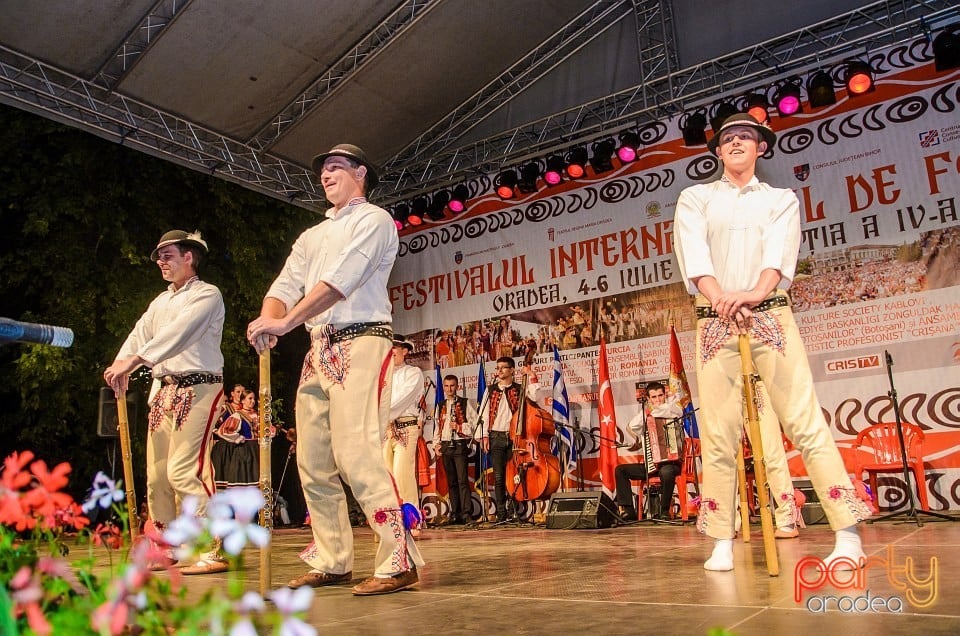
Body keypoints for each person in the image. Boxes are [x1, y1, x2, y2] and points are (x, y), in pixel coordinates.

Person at [673, 113, 872, 572]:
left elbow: (780, 254)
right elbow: (694, 253)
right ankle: (721, 538)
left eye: (746, 136)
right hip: (714, 318)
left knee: (803, 421)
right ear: (718, 151)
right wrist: (722, 297)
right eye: (727, 139)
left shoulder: (780, 199)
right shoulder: (696, 197)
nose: (736, 142)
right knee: (719, 434)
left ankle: (847, 531)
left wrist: (755, 294)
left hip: (769, 316)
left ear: (762, 146)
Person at [246, 143, 422, 595]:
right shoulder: (312, 236)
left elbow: (341, 282)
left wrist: (285, 322)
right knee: (312, 459)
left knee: (356, 451)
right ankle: (332, 556)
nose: (326, 175)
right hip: (318, 345)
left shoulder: (374, 220)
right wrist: (271, 319)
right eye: (323, 169)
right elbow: (284, 285)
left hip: (361, 338)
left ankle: (397, 559)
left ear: (361, 172)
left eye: (336, 167)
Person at [103, 229, 227, 575]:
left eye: (167, 255)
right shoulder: (160, 301)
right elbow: (141, 333)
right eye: (158, 256)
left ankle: (210, 546)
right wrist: (120, 363)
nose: (160, 261)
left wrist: (136, 360)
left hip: (199, 387)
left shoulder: (207, 295)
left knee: (184, 469)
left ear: (190, 256)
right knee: (157, 475)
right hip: (164, 389)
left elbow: (179, 334)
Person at [473, 356, 539, 523]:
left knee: (515, 475)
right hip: (496, 436)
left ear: (511, 370)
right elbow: (484, 413)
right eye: (498, 367)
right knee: (499, 476)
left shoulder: (519, 388)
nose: (500, 371)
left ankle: (515, 511)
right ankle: (501, 513)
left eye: (503, 367)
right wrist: (484, 437)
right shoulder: (491, 390)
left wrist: (531, 374)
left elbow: (534, 396)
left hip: (514, 437)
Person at [614, 382, 682, 521]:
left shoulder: (673, 408)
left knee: (666, 472)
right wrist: (646, 414)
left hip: (671, 462)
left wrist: (649, 412)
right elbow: (632, 426)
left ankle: (664, 511)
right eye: (654, 397)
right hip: (652, 464)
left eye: (660, 396)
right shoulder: (646, 414)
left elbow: (668, 410)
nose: (658, 400)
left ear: (665, 395)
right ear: (649, 399)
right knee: (621, 470)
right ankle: (628, 510)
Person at [382, 335, 426, 537]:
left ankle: (412, 521)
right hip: (385, 429)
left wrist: (381, 413)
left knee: (402, 474)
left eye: (395, 348)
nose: (391, 351)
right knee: (385, 477)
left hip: (405, 427)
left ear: (405, 351)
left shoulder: (413, 373)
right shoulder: (382, 375)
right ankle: (389, 523)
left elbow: (402, 399)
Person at [432, 374, 478, 525]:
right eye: (446, 386)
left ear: (457, 386)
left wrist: (459, 427)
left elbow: (474, 425)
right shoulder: (440, 405)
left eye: (452, 386)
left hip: (459, 444)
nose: (449, 389)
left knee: (462, 480)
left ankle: (466, 513)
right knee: (451, 482)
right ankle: (455, 513)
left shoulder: (465, 403)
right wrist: (437, 444)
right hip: (446, 445)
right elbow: (437, 427)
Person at [211, 389, 259, 491]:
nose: (253, 401)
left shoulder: (258, 415)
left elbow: (268, 430)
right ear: (243, 401)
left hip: (256, 449)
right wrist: (238, 438)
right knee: (243, 479)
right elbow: (224, 431)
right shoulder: (238, 415)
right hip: (244, 450)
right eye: (250, 398)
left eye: (254, 399)